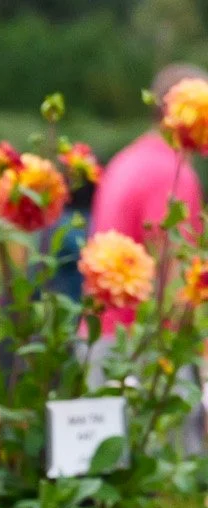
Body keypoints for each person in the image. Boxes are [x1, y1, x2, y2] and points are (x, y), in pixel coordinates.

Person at [89, 62, 206, 331]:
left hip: (101, 331)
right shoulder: (173, 173)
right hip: (140, 344)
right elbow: (176, 277)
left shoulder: (126, 159)